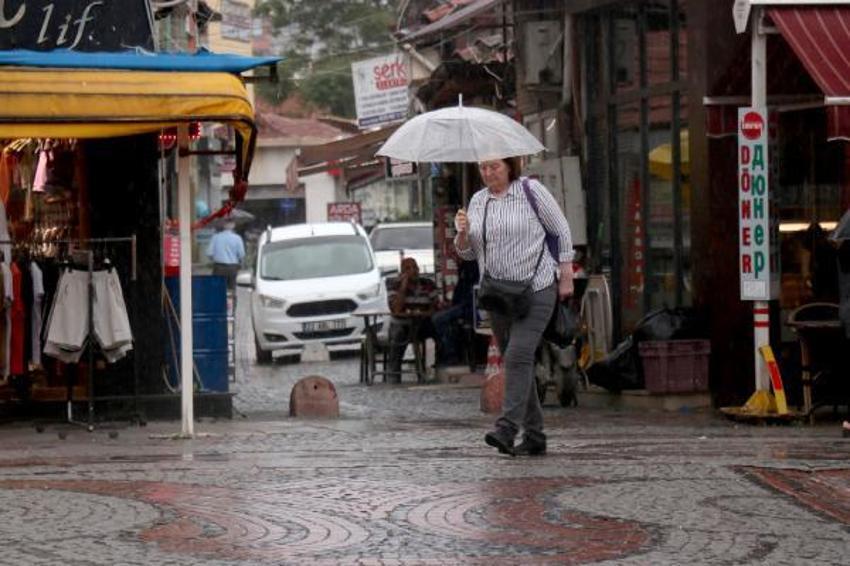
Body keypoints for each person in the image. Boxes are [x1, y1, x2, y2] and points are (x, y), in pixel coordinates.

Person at [454, 157, 574, 457]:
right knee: (517, 361)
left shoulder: (530, 191)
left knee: (518, 354)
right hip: (498, 294)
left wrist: (567, 274)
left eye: (494, 166)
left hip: (537, 285)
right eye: (482, 167)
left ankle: (507, 428)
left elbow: (560, 229)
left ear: (509, 166)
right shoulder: (478, 201)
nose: (488, 172)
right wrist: (462, 234)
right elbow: (468, 254)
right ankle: (535, 435)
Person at [386, 257, 438, 383]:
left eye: (415, 268)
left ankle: (437, 365)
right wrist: (403, 287)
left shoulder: (428, 284)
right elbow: (396, 309)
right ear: (402, 272)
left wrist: (423, 313)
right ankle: (394, 374)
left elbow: (435, 307)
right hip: (401, 323)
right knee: (398, 335)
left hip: (422, 322)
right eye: (408, 269)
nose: (413, 271)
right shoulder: (394, 285)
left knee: (440, 327)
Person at [431, 259, 479, 367]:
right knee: (442, 319)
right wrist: (451, 305)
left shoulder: (472, 266)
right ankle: (447, 356)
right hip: (462, 305)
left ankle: (450, 356)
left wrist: (454, 306)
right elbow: (460, 292)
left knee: (438, 319)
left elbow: (472, 293)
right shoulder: (463, 266)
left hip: (471, 307)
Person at [206, 220, 245, 290]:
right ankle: (231, 299)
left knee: (217, 289)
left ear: (223, 225)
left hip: (219, 267)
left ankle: (219, 300)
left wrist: (215, 259)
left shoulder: (216, 237)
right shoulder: (237, 238)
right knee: (231, 288)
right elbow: (241, 255)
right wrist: (240, 264)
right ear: (233, 225)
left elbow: (209, 253)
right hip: (232, 267)